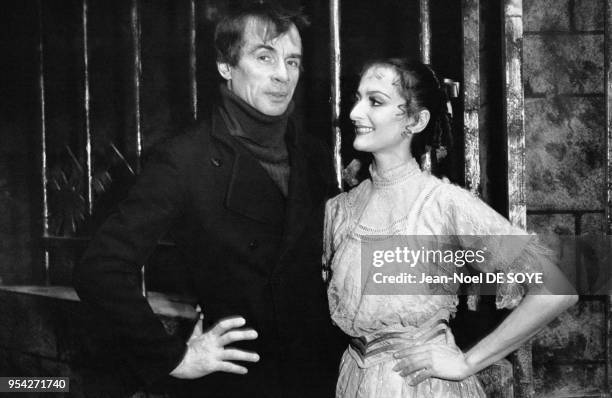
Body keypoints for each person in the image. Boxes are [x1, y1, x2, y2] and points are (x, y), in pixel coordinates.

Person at [74, 3, 344, 397]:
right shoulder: (185, 158)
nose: (282, 75)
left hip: (319, 377)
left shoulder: (313, 155)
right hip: (238, 381)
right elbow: (100, 268)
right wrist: (172, 358)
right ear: (225, 67)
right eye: (264, 57)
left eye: (293, 61)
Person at [322, 58, 578, 397]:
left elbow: (556, 288)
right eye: (357, 98)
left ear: (415, 120)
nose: (355, 112)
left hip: (421, 386)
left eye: (376, 101)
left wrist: (467, 363)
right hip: (353, 380)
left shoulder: (444, 204)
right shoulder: (338, 210)